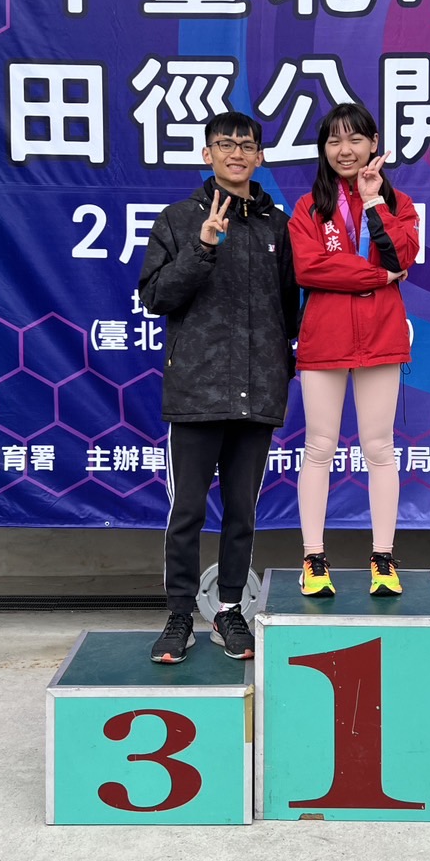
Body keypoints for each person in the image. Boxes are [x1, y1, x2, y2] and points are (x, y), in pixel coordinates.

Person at [139, 112, 300, 663]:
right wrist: (203, 248)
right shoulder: (180, 219)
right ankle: (179, 614)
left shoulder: (278, 226)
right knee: (187, 511)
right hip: (196, 391)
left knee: (241, 512)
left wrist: (279, 366)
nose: (236, 153)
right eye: (225, 144)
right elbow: (156, 297)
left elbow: (289, 310)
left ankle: (230, 610)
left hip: (258, 391)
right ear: (207, 154)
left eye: (246, 145)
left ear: (260, 156)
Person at [288, 104, 419, 598]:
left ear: (373, 144)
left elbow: (403, 255)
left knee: (379, 448)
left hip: (381, 335)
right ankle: (313, 558)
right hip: (325, 337)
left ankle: (383, 558)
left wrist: (372, 202)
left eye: (355, 139)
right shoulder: (308, 208)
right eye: (334, 141)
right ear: (323, 149)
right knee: (319, 447)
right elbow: (309, 269)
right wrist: (377, 277)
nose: (345, 150)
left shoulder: (398, 203)